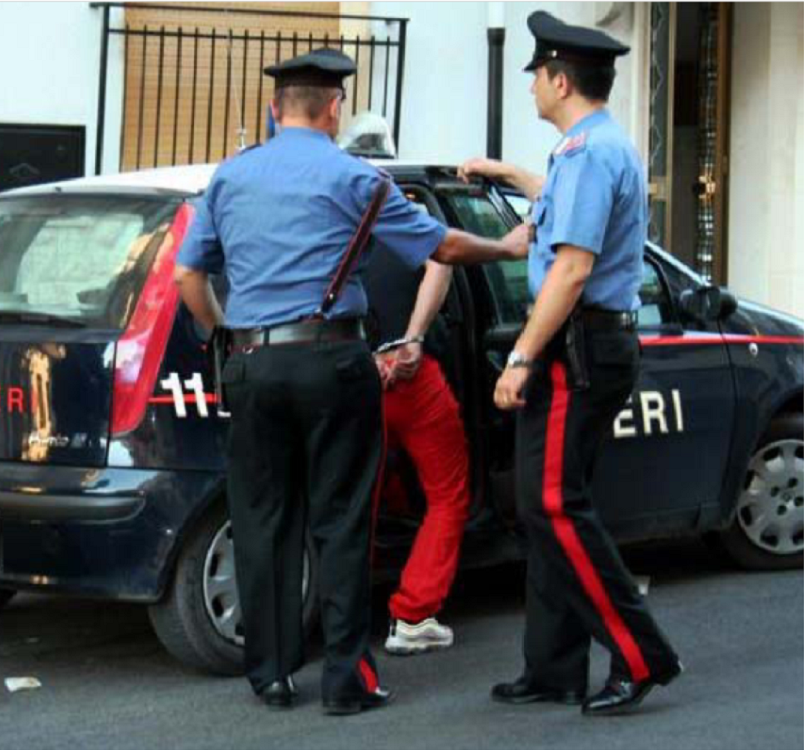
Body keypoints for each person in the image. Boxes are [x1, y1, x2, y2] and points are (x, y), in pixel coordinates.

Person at [174, 48, 529, 715]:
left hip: (252, 360)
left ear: (273, 111)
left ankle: (272, 674)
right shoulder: (357, 179)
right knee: (341, 519)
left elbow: (189, 278)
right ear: (333, 107)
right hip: (334, 362)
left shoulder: (230, 178)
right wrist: (507, 248)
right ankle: (344, 678)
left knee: (262, 517)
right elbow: (441, 249)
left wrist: (225, 333)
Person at [460, 11, 683, 716]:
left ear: (560, 79)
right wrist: (510, 174)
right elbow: (562, 210)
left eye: (536, 76)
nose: (530, 88)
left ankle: (641, 654)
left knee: (553, 504)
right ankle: (553, 666)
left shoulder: (588, 155)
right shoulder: (588, 149)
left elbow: (572, 267)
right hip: (590, 345)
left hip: (575, 348)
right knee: (547, 506)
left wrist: (522, 356)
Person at [364, 252, 468, 655]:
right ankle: (413, 613)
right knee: (448, 494)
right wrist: (412, 338)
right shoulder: (402, 217)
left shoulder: (319, 214)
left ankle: (343, 609)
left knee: (354, 500)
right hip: (413, 377)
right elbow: (443, 263)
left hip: (351, 377)